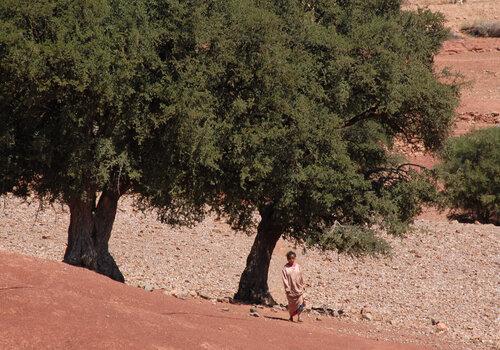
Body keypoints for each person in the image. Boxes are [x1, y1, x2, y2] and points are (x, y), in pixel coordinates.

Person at [282, 250, 305, 322]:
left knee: (301, 302)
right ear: (287, 259)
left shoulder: (298, 266)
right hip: (290, 289)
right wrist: (287, 288)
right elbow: (284, 278)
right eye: (290, 258)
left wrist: (303, 284)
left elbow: (301, 275)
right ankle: (291, 316)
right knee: (291, 304)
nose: (291, 260)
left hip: (299, 287)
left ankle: (299, 316)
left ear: (295, 258)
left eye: (293, 258)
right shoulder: (285, 268)